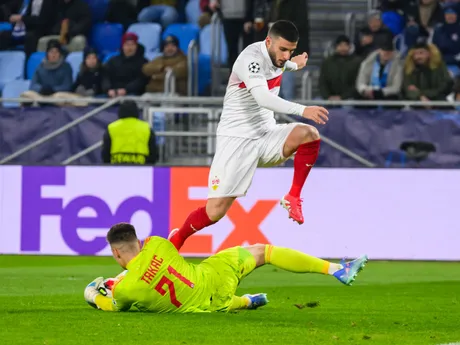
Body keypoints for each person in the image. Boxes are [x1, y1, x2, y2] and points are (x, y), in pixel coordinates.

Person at [168, 20, 329, 251]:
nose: (286, 55)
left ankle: (293, 196)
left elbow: (283, 65)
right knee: (215, 212)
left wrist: (296, 64)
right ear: (268, 41)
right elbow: (263, 98)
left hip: (266, 135)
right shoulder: (250, 59)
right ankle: (178, 237)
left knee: (309, 134)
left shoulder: (280, 58)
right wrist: (303, 110)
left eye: (290, 50)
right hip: (236, 140)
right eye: (283, 49)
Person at [84, 223, 368, 313]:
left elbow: (114, 306)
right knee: (264, 252)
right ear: (138, 240)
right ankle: (335, 269)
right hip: (214, 276)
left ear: (115, 251)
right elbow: (168, 240)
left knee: (212, 304)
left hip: (204, 306)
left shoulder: (127, 288)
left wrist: (93, 295)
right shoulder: (158, 244)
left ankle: (246, 302)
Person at [101, 101, 158, 165]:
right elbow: (153, 152)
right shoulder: (146, 128)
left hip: (117, 166)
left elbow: (105, 152)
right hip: (141, 167)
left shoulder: (112, 127)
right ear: (136, 112)